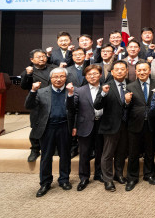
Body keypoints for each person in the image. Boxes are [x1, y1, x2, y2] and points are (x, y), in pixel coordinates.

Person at [24, 68, 73, 197]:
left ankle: (64, 180)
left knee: (65, 155)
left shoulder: (70, 91)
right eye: (55, 77)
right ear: (50, 79)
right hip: (47, 128)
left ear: (65, 78)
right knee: (46, 156)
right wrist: (33, 90)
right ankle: (45, 182)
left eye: (62, 76)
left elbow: (75, 110)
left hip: (64, 127)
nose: (58, 79)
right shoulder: (41, 92)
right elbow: (28, 105)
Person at [124, 61, 155, 191]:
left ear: (149, 71)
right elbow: (127, 107)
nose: (142, 72)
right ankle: (132, 178)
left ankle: (149, 174)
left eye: (144, 70)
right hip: (135, 123)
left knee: (149, 152)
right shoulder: (130, 86)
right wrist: (127, 102)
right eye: (139, 70)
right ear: (135, 71)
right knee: (133, 153)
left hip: (151, 122)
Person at [93, 60, 130, 192]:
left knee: (121, 152)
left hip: (126, 126)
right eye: (117, 69)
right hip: (110, 126)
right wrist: (102, 93)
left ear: (126, 71)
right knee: (107, 154)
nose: (120, 71)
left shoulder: (131, 85)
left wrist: (127, 102)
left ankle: (118, 174)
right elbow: (97, 105)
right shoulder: (106, 86)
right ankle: (108, 180)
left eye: (122, 69)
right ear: (112, 72)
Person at [20, 48, 57, 162]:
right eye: (38, 57)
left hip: (54, 101)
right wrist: (28, 75)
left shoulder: (53, 68)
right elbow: (24, 86)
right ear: (32, 59)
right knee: (36, 127)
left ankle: (54, 148)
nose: (42, 58)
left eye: (44, 56)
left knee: (54, 125)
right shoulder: (28, 71)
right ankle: (35, 149)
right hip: (38, 103)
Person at [71, 64, 104, 191]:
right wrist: (74, 126)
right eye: (89, 74)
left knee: (100, 150)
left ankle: (98, 173)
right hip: (84, 124)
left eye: (95, 74)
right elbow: (73, 110)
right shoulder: (79, 90)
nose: (92, 76)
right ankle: (84, 177)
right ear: (86, 76)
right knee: (84, 152)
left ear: (100, 75)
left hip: (101, 123)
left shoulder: (106, 89)